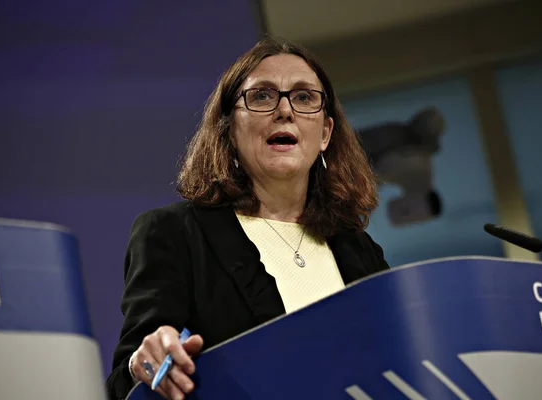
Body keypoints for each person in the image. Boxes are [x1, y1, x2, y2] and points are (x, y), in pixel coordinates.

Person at [106, 36, 390, 400]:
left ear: (324, 134)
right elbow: (124, 384)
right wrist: (142, 364)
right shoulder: (174, 234)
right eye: (262, 96)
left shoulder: (360, 249)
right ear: (229, 129)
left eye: (304, 97)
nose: (285, 111)